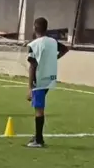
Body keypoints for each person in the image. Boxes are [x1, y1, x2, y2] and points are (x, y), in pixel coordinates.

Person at [26, 17, 69, 148]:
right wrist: (54, 58)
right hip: (49, 78)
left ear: (35, 28)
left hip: (39, 80)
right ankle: (37, 136)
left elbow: (32, 66)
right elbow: (65, 49)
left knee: (39, 109)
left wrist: (29, 87)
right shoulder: (52, 41)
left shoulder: (34, 44)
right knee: (39, 107)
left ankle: (39, 140)